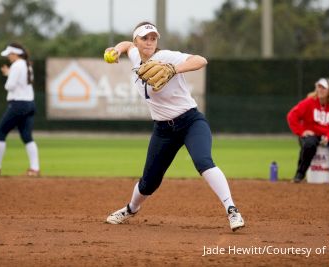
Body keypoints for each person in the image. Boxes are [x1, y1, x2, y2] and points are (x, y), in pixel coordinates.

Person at [103, 22, 245, 231]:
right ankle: (131, 209)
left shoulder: (166, 57)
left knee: (203, 161)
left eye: (153, 38)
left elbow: (200, 60)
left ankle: (232, 210)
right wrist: (116, 49)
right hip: (163, 130)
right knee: (149, 182)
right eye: (145, 38)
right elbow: (126, 45)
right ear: (137, 41)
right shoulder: (135, 56)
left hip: (190, 122)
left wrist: (172, 69)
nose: (150, 42)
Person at [0, 43, 40, 177]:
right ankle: (34, 169)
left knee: (1, 132)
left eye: (9, 54)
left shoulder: (17, 65)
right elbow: (23, 83)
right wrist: (9, 73)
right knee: (27, 136)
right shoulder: (27, 64)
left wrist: (9, 76)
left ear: (15, 54)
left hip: (18, 104)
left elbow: (10, 86)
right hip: (30, 104)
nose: (8, 57)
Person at [287, 77, 329, 184]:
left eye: (323, 88)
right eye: (319, 87)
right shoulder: (309, 102)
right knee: (309, 145)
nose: (320, 90)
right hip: (311, 134)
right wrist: (301, 132)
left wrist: (328, 137)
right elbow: (291, 116)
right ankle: (299, 174)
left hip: (327, 135)